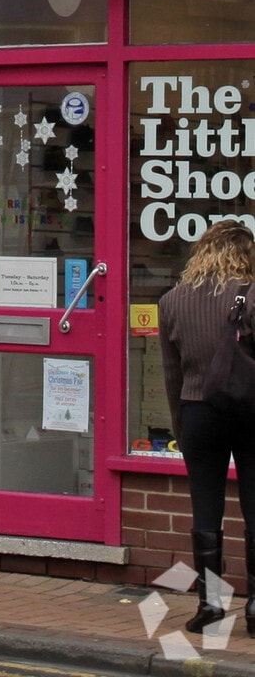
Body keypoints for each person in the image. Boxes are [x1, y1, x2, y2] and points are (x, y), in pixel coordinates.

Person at [159, 218, 255, 635]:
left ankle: (210, 605)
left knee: (205, 510)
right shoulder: (251, 296)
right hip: (250, 412)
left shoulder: (171, 300)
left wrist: (182, 425)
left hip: (197, 413)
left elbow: (170, 374)